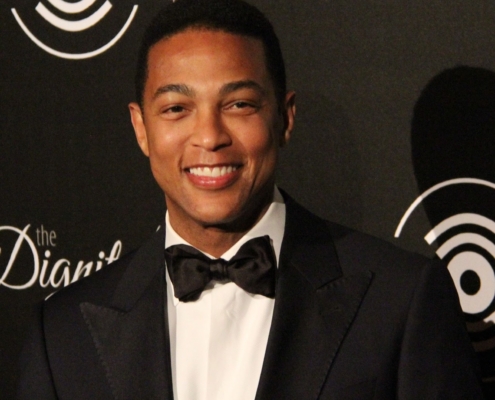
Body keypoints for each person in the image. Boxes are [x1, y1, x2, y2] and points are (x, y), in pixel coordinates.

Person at [18, 0, 483, 399]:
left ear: (284, 117)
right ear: (142, 128)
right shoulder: (62, 334)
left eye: (238, 104)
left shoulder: (400, 301)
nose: (209, 137)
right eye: (177, 109)